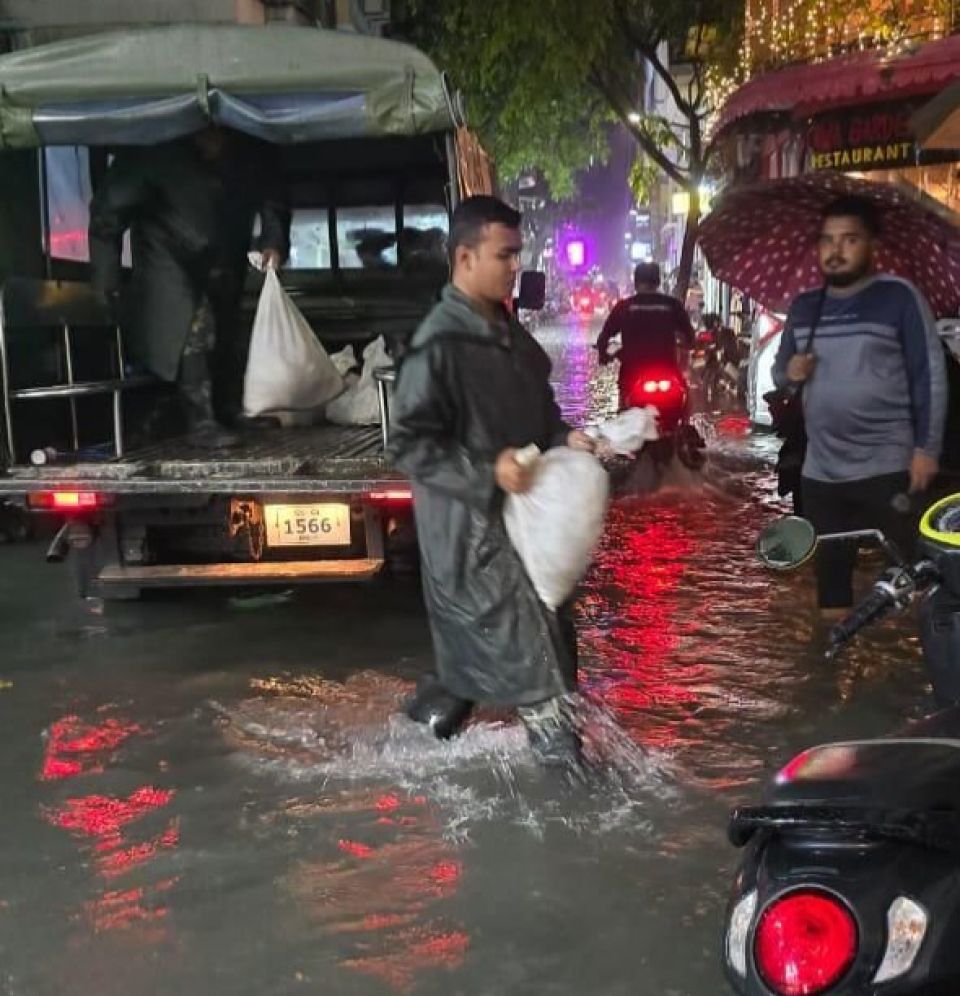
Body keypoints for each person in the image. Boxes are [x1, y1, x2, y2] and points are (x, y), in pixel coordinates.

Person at [387, 195, 599, 766]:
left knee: (475, 666)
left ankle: (402, 756)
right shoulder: (438, 344)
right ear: (464, 258)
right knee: (541, 674)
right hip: (472, 542)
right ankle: (578, 810)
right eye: (504, 255)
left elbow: (541, 406)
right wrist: (490, 472)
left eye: (517, 255)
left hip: (521, 530)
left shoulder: (506, 331)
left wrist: (563, 437)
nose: (515, 268)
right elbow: (408, 443)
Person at [772, 194, 947, 618]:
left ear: (872, 245)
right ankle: (832, 673)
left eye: (849, 240)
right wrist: (791, 372)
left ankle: (899, 676)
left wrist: (927, 449)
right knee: (830, 587)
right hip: (821, 473)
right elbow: (779, 375)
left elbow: (930, 375)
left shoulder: (899, 298)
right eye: (828, 240)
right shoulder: (804, 307)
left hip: (887, 466)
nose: (836, 250)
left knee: (906, 582)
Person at [89, 127, 290, 448]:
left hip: (222, 257)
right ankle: (201, 421)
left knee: (225, 333)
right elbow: (107, 213)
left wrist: (274, 240)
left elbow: (273, 194)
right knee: (193, 328)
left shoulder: (249, 151)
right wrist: (106, 277)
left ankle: (226, 410)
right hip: (167, 257)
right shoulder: (152, 151)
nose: (214, 140)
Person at [596, 261, 695, 407]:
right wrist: (687, 344)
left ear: (636, 282)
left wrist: (603, 355)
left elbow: (605, 336)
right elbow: (690, 336)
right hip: (667, 369)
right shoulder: (672, 305)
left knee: (625, 414)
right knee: (685, 398)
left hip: (632, 373)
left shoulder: (624, 307)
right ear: (658, 281)